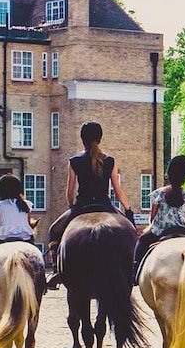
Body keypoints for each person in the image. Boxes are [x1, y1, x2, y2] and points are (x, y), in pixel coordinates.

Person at [46, 121, 133, 288]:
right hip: (106, 206)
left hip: (82, 207)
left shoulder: (74, 161)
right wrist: (128, 209)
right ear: (100, 138)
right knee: (129, 230)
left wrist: (72, 207)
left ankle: (57, 270)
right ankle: (132, 266)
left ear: (82, 139)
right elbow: (117, 190)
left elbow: (69, 192)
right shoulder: (110, 160)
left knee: (54, 230)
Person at [133, 155, 185, 284]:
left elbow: (152, 217)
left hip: (161, 231)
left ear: (168, 174)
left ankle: (135, 272)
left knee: (141, 242)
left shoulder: (159, 194)